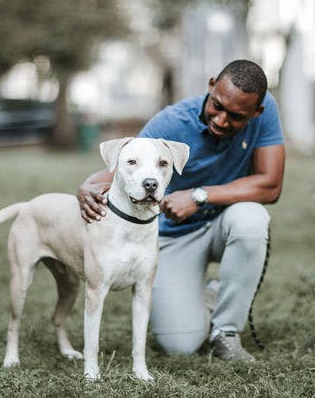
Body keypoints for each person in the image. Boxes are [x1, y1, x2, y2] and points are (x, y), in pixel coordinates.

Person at [77, 59, 285, 362]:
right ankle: (211, 293)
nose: (221, 120)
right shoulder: (171, 123)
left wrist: (199, 196)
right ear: (212, 85)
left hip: (224, 223)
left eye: (236, 116)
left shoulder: (266, 111)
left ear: (257, 112)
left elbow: (271, 186)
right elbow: (124, 170)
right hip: (173, 238)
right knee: (180, 345)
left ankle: (225, 332)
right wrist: (87, 185)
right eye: (217, 105)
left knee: (252, 219)